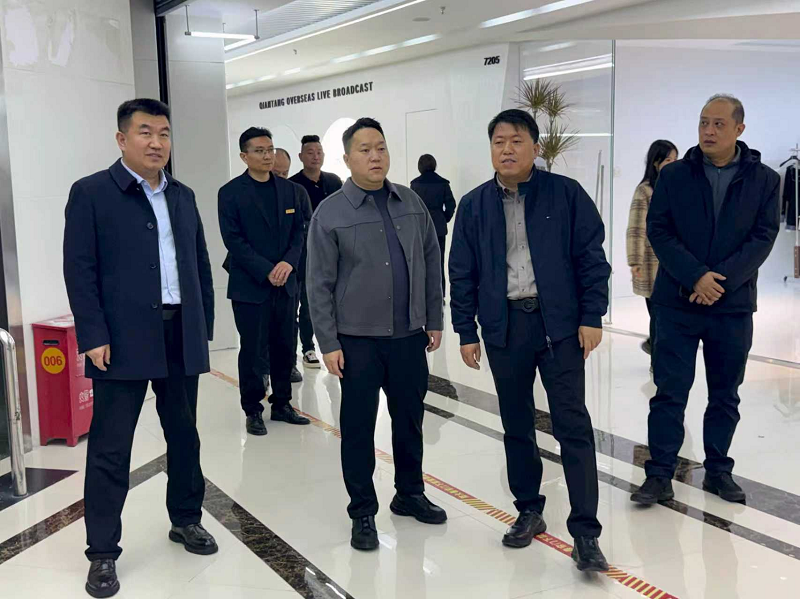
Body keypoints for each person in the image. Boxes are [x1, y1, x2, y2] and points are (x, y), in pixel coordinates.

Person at [64, 99, 217, 598]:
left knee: (185, 435)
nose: (157, 143)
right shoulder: (91, 193)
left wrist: (203, 325)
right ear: (122, 139)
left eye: (164, 133)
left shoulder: (183, 195)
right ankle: (102, 552)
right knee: (111, 448)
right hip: (121, 340)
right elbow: (79, 270)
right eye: (146, 132)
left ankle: (186, 519)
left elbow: (199, 263)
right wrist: (93, 335)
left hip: (179, 333)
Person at [449, 109, 610, 572]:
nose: (507, 149)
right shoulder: (474, 205)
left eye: (516, 141)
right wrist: (466, 330)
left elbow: (591, 258)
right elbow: (461, 271)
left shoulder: (566, 194)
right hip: (505, 327)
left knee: (572, 425)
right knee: (516, 424)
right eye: (498, 141)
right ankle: (529, 510)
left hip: (559, 326)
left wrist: (592, 315)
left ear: (535, 148)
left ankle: (586, 533)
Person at [632, 95, 780, 506]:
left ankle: (718, 471)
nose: (708, 131)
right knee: (669, 391)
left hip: (731, 307)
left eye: (718, 124)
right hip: (676, 304)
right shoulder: (674, 175)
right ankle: (659, 474)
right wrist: (695, 275)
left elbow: (763, 237)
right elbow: (659, 229)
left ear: (739, 129)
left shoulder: (765, 180)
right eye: (703, 123)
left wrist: (720, 282)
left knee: (725, 394)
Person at [306, 118, 446, 552]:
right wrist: (328, 343)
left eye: (380, 148)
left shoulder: (411, 202)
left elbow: (430, 260)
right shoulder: (330, 213)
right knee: (359, 427)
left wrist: (434, 317)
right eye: (364, 149)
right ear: (347, 158)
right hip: (357, 340)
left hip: (407, 336)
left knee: (410, 420)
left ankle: (410, 493)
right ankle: (362, 511)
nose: (375, 156)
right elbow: (318, 283)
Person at [218, 127, 311, 436]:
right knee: (253, 350)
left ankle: (282, 403)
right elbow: (233, 239)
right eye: (259, 150)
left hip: (286, 283)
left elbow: (300, 232)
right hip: (250, 285)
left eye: (269, 149)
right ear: (244, 156)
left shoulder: (291, 191)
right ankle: (253, 409)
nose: (267, 155)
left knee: (285, 345)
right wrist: (266, 269)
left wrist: (288, 263)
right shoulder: (231, 193)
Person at [290, 135, 343, 370]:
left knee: (335, 300)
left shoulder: (334, 182)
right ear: (301, 156)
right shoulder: (293, 185)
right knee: (306, 302)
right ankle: (307, 347)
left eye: (319, 152)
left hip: (333, 251)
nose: (315, 156)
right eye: (310, 152)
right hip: (304, 253)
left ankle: (335, 344)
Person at [626, 140, 678, 362]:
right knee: (658, 314)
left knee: (666, 315)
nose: (673, 164)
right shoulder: (645, 190)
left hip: (674, 263)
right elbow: (636, 227)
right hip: (651, 264)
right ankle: (657, 359)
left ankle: (657, 350)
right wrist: (635, 261)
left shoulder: (678, 188)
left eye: (675, 160)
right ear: (656, 163)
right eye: (668, 160)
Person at [272, 148, 313, 384]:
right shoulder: (249, 193)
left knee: (290, 320)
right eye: (276, 173)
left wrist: (289, 261)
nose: (280, 178)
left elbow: (305, 227)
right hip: (261, 272)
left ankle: (289, 365)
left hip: (294, 267)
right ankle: (264, 369)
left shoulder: (297, 192)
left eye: (284, 173)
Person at [411, 154, 456, 300]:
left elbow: (411, 207)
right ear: (434, 165)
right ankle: (440, 296)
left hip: (420, 227)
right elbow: (451, 204)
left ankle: (422, 295)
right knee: (439, 262)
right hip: (438, 227)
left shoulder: (415, 184)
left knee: (421, 262)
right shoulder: (443, 183)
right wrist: (444, 218)